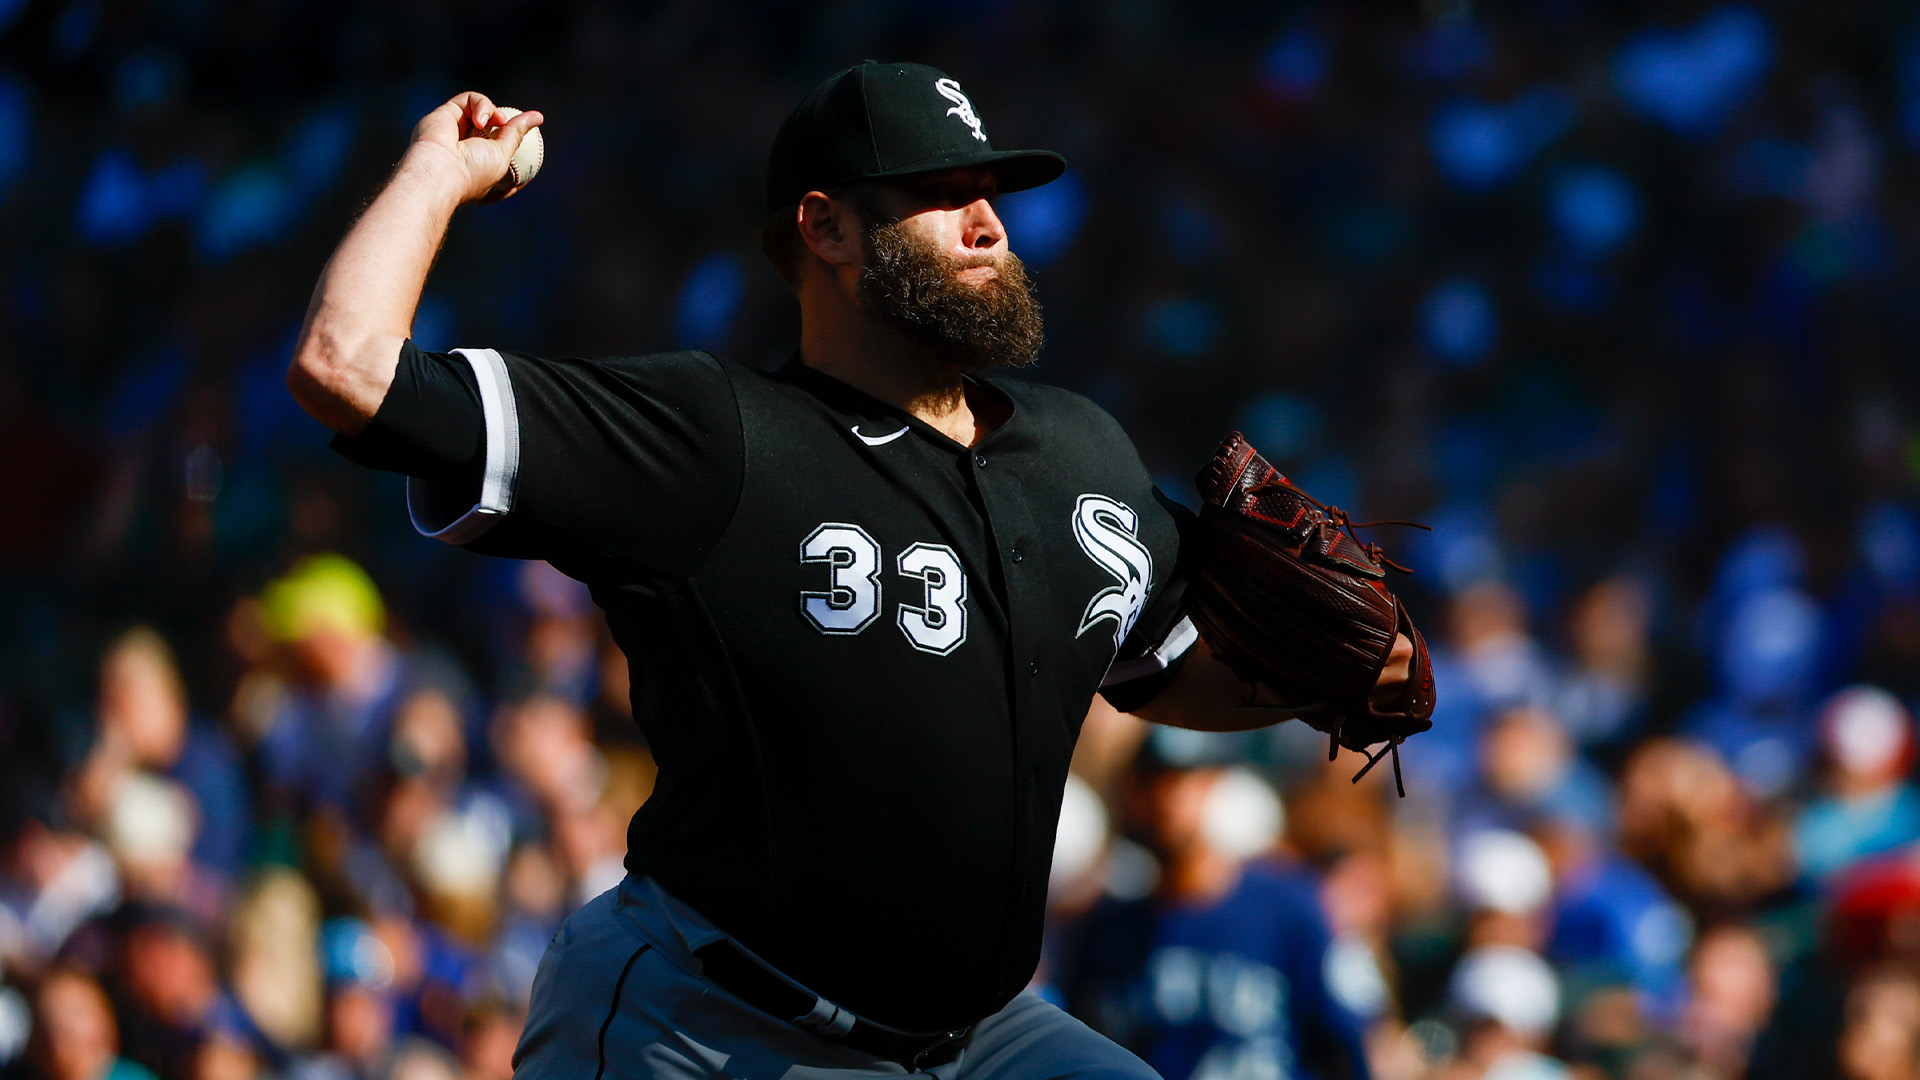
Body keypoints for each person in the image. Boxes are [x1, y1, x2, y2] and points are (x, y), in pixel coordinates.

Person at [287, 61, 1415, 1079]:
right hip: (704, 1025)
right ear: (826, 229)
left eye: (993, 194)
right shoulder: (714, 439)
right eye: (940, 192)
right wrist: (437, 173)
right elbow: (348, 369)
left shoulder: (1078, 453)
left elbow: (1161, 668)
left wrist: (1326, 680)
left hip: (976, 1043)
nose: (987, 224)